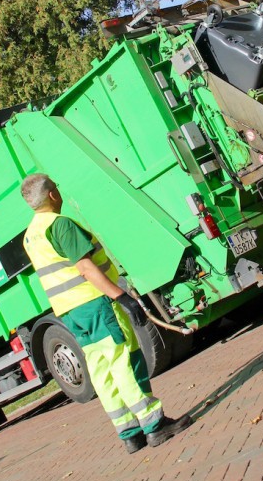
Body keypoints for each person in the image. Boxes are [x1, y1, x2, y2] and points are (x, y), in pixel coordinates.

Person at [20, 173, 193, 454]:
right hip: (95, 304)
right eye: (57, 187)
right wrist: (121, 295)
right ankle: (155, 425)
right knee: (123, 359)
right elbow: (86, 269)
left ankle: (129, 433)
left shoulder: (31, 236)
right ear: (52, 194)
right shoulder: (59, 225)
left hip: (70, 312)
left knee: (101, 369)